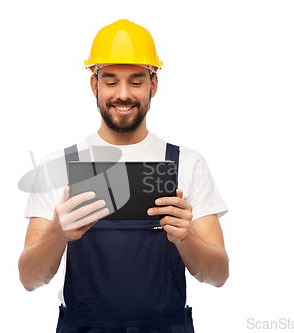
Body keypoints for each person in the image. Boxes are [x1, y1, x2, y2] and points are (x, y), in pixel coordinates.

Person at [18, 19, 229, 332]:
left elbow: (218, 276)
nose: (123, 94)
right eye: (111, 80)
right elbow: (30, 279)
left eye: (136, 81)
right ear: (95, 85)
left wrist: (186, 238)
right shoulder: (58, 165)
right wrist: (57, 232)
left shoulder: (188, 163)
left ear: (153, 85)